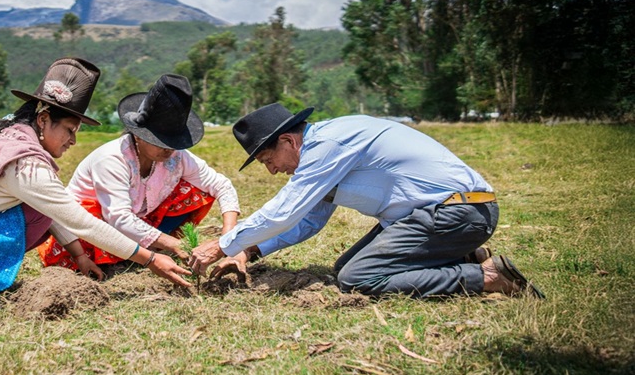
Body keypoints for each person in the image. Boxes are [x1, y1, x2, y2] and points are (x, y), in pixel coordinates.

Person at [0, 58, 191, 310]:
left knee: (38, 210)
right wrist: (151, 259)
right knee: (36, 213)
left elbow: (53, 211)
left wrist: (80, 256)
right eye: (69, 129)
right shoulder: (25, 163)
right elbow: (81, 221)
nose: (73, 140)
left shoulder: (8, 139)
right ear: (43, 120)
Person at [188, 103, 544, 299]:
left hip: (459, 212)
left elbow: (286, 211)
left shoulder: (327, 145)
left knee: (358, 278)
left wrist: (222, 245)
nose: (272, 171)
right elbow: (308, 219)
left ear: (289, 141)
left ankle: (486, 277)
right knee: (346, 266)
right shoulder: (324, 149)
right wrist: (248, 250)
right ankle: (462, 253)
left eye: (269, 160)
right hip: (444, 214)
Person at [38, 74, 240, 270]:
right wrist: (174, 244)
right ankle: (133, 256)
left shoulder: (177, 157)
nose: (169, 149)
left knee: (196, 190)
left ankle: (148, 249)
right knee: (94, 219)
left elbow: (222, 186)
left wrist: (227, 239)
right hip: (86, 234)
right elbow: (119, 218)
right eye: (160, 142)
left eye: (173, 143)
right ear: (139, 135)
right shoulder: (112, 159)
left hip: (137, 222)